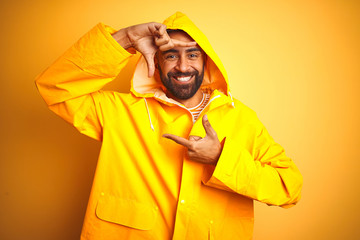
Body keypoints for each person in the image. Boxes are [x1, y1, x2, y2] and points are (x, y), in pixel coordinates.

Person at [36, 12, 302, 240]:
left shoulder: (241, 118)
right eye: (171, 55)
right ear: (156, 60)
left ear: (206, 61)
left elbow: (289, 187)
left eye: (193, 54)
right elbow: (56, 88)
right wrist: (127, 38)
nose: (183, 66)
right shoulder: (120, 111)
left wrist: (221, 158)